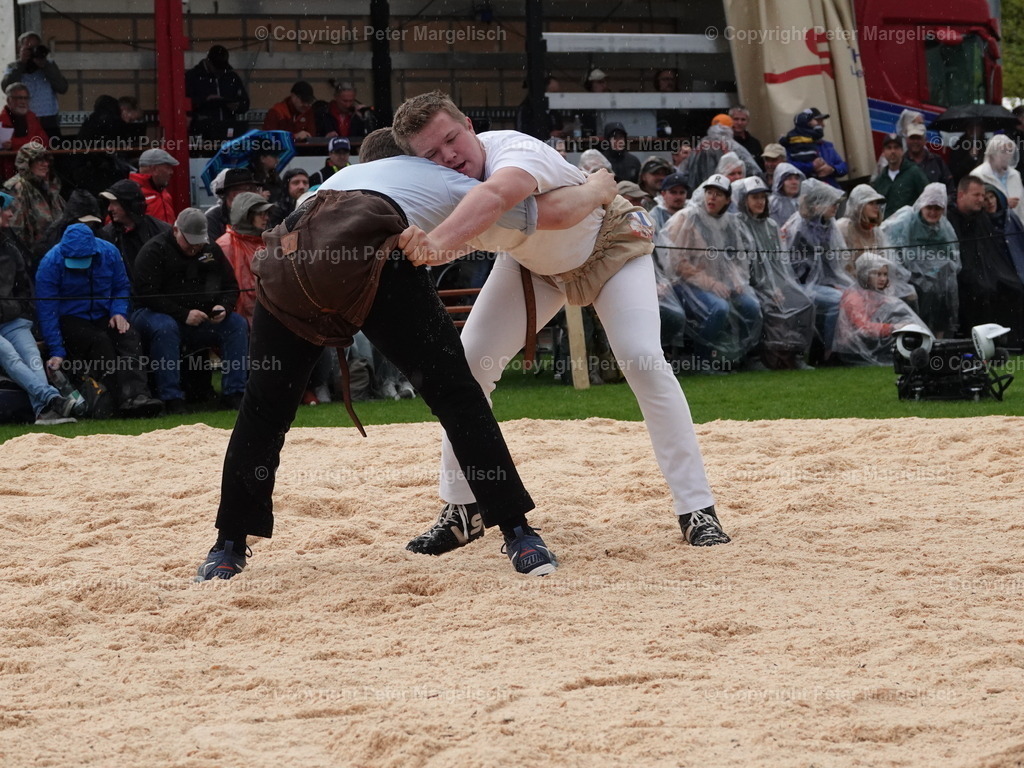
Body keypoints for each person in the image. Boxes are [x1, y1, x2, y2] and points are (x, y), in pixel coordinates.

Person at [193, 126, 619, 580]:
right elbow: (545, 215)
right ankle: (518, 534)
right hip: (378, 261)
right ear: (418, 157)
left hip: (286, 266)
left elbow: (304, 236)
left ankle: (227, 548)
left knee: (262, 411)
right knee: (458, 396)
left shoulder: (329, 184)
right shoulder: (439, 177)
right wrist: (597, 185)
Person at [393, 91, 730, 552]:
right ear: (416, 160)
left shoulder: (514, 150)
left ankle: (697, 508)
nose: (448, 156)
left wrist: (429, 246)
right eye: (431, 153)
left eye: (451, 139)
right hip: (535, 266)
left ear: (470, 125)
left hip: (610, 246)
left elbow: (521, 206)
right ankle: (462, 508)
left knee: (643, 359)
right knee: (468, 367)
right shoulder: (432, 180)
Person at [34, 223, 163, 417]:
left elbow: (121, 287)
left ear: (94, 251)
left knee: (128, 335)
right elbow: (47, 311)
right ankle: (116, 399)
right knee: (100, 341)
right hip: (70, 318)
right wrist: (57, 350)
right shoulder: (50, 263)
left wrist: (118, 312)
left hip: (105, 313)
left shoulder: (109, 253)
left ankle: (137, 395)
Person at [131, 208, 249, 413]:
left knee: (236, 324)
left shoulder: (211, 250)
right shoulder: (153, 251)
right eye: (190, 242)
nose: (195, 248)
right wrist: (183, 314)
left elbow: (230, 286)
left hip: (202, 317)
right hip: (154, 314)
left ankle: (235, 393)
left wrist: (224, 307)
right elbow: (146, 295)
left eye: (199, 242)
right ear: (176, 230)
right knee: (165, 328)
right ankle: (171, 397)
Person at [658, 174, 762, 367]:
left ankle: (738, 357)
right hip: (686, 284)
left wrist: (736, 279)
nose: (712, 198)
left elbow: (734, 257)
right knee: (718, 308)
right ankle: (701, 360)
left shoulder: (730, 223)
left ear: (728, 200)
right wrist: (710, 283)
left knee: (752, 306)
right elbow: (676, 263)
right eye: (709, 192)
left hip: (721, 282)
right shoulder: (686, 218)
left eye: (718, 194)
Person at [0, 191, 83, 425]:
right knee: (9, 356)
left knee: (32, 357)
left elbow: (24, 287)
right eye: (5, 210)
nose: (9, 214)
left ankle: (42, 413)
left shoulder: (9, 246)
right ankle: (52, 399)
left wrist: (22, 314)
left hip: (12, 320)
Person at [733, 176, 815, 369]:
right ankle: (757, 356)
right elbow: (743, 264)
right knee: (765, 307)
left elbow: (781, 263)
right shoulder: (737, 224)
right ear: (744, 200)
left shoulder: (771, 225)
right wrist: (768, 288)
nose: (760, 201)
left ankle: (795, 355)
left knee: (805, 303)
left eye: (763, 197)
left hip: (776, 282)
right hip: (750, 284)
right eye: (755, 197)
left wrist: (781, 286)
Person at [946, 175, 1024, 349]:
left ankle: (1012, 343)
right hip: (964, 273)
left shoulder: (981, 217)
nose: (981, 200)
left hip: (990, 270)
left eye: (983, 195)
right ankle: (983, 344)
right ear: (961, 195)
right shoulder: (950, 218)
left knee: (1015, 287)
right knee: (982, 291)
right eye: (977, 195)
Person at [778, 179, 850, 358]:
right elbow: (792, 268)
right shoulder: (798, 227)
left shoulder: (828, 224)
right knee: (838, 300)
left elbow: (834, 261)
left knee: (855, 294)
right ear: (817, 204)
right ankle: (828, 350)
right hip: (797, 285)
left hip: (821, 282)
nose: (835, 207)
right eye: (830, 202)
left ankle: (846, 348)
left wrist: (834, 281)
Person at [879, 183, 961, 338]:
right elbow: (890, 247)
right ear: (922, 205)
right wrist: (906, 273)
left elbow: (953, 258)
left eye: (937, 208)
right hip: (904, 275)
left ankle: (938, 337)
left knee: (943, 288)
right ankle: (915, 336)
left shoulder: (944, 228)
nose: (932, 212)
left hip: (932, 278)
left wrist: (934, 271)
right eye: (929, 207)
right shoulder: (906, 220)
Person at [834, 252, 925, 366]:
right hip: (855, 347)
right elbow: (863, 328)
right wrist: (892, 328)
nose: (882, 279)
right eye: (877, 274)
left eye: (885, 274)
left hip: (873, 339)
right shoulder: (854, 297)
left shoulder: (875, 294)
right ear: (865, 274)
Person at [216, 192, 272, 326]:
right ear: (246, 215)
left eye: (267, 213)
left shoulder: (268, 242)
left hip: (266, 315)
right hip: (234, 316)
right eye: (261, 214)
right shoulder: (225, 245)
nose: (266, 218)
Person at [98, 179, 172, 278]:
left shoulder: (160, 230)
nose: (109, 208)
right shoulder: (107, 234)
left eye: (114, 203)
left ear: (128, 204)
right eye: (109, 203)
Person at [1, 32, 67, 138]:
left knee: (53, 151)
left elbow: (62, 87)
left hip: (48, 120)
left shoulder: (48, 66)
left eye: (36, 48)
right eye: (29, 49)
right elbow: (6, 87)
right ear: (20, 49)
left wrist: (45, 66)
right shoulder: (13, 67)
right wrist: (21, 64)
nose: (33, 52)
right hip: (25, 119)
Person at [3, 142, 63, 252]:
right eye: (39, 160)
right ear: (27, 162)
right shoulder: (17, 187)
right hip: (31, 253)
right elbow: (15, 229)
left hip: (54, 249)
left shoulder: (49, 186)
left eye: (47, 160)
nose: (45, 164)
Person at [184, 45, 250, 140]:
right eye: (217, 67)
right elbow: (184, 103)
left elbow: (245, 103)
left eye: (222, 68)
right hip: (202, 133)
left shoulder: (231, 77)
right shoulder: (192, 77)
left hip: (228, 132)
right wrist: (204, 101)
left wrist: (237, 106)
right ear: (208, 61)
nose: (220, 71)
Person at [780, 107, 848, 188]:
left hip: (831, 190)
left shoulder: (827, 146)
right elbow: (788, 167)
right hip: (806, 192)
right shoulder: (793, 146)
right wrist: (811, 166)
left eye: (822, 121)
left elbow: (843, 167)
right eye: (818, 122)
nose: (823, 125)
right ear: (807, 124)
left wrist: (832, 170)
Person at [871, 134, 928, 220]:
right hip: (885, 228)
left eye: (896, 147)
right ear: (884, 152)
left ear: (902, 151)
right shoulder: (880, 179)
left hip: (909, 226)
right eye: (889, 148)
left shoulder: (914, 173)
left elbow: (927, 197)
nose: (892, 151)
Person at [836, 184, 888, 277]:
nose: (876, 207)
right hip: (850, 284)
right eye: (871, 203)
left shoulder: (877, 232)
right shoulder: (842, 228)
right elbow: (843, 267)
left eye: (877, 203)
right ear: (858, 205)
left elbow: (884, 261)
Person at [971, 134, 1024, 222]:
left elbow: (1022, 206)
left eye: (1010, 151)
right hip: (991, 228)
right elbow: (974, 207)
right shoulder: (978, 176)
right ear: (992, 154)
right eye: (1003, 151)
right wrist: (1002, 203)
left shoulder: (1015, 175)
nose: (1007, 155)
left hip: (1015, 229)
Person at [0, 83, 48, 170]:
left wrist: (13, 144)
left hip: (32, 167)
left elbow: (43, 141)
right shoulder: (1, 120)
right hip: (6, 169)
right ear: (8, 100)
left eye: (26, 98)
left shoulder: (32, 118)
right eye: (19, 98)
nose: (23, 102)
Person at [205, 167, 261, 243]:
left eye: (251, 189)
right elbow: (213, 250)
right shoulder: (213, 218)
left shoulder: (260, 214)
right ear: (231, 194)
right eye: (247, 190)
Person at [130, 148, 178, 225]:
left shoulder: (164, 194)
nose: (171, 172)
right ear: (155, 169)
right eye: (168, 168)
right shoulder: (130, 194)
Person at [904, 124, 954, 192]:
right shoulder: (900, 162)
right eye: (912, 138)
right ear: (906, 140)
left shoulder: (937, 161)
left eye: (918, 138)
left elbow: (950, 188)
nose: (915, 141)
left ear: (925, 140)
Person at [514, 75, 563, 140]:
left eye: (557, 93)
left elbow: (558, 126)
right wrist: (548, 135)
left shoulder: (554, 110)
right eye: (552, 92)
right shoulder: (525, 109)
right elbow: (522, 132)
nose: (555, 96)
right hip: (533, 146)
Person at [768, 162, 805, 228]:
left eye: (796, 178)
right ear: (779, 182)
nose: (794, 182)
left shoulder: (804, 202)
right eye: (789, 179)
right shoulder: (773, 203)